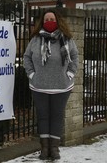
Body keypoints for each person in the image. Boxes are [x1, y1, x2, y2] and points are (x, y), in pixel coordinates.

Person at [23, 9, 79, 160]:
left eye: (51, 19)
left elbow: (74, 57)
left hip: (61, 86)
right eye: (46, 20)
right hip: (39, 85)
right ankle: (44, 148)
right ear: (42, 22)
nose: (49, 22)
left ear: (57, 20)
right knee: (43, 117)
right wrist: (32, 74)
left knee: (56, 117)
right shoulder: (35, 39)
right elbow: (27, 57)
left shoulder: (66, 39)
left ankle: (54, 149)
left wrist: (70, 73)